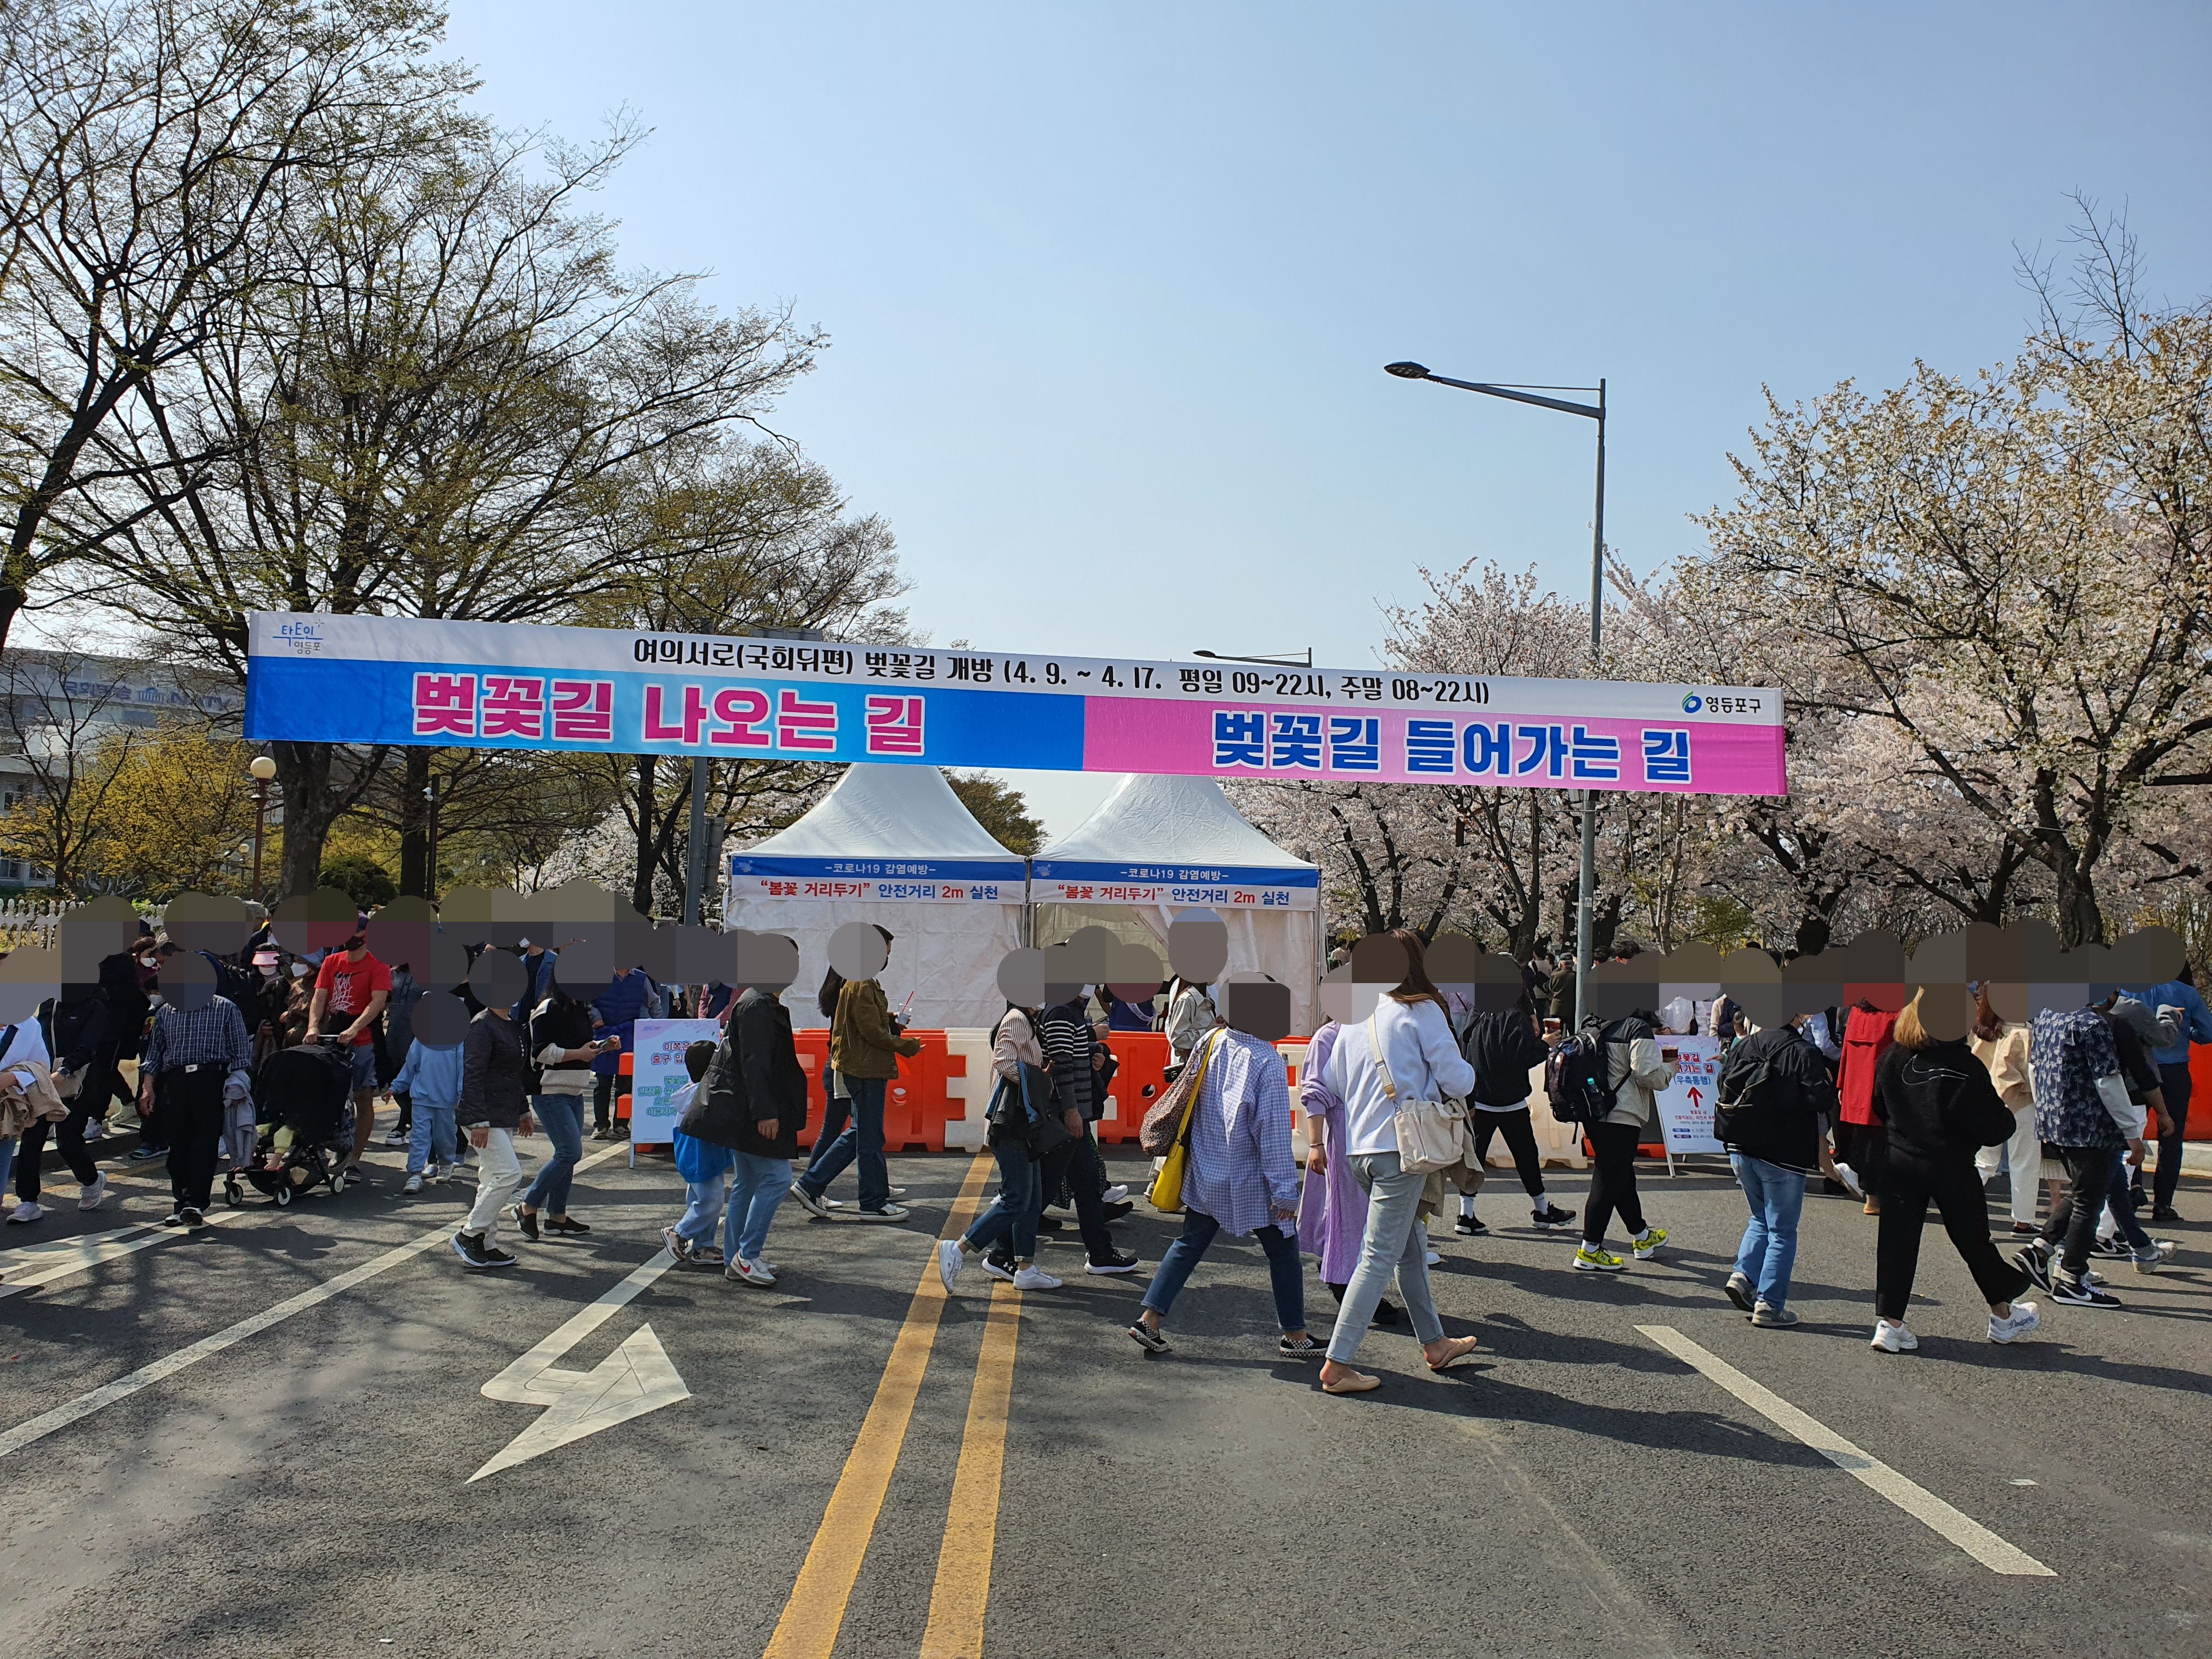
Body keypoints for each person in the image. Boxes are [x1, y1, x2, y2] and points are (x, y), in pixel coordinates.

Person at [1314, 931, 1483, 1395]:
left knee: (1408, 1247)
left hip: (1360, 1150)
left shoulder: (1354, 1016)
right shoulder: (1421, 1010)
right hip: (1403, 1150)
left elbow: (1333, 1080)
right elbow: (1458, 1078)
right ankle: (1337, 1363)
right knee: (1378, 1257)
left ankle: (1435, 1343)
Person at [1124, 1018, 1318, 1358]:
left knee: (1189, 1244)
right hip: (1251, 1178)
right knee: (1284, 1250)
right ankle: (1295, 1334)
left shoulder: (1212, 1040)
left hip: (1207, 1166)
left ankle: (1149, 1319)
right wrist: (1285, 1189)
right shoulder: (1267, 1059)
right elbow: (1271, 1133)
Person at [1867, 989, 2040, 1350]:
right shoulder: (1964, 1065)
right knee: (1974, 1241)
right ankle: (2003, 1316)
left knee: (1897, 1242)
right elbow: (1995, 1126)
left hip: (1900, 1159)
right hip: (1951, 1164)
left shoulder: (1895, 1056)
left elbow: (1879, 1105)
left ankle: (1890, 1323)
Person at [2013, 995, 2143, 1309]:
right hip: (2092, 1125)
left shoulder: (2046, 1016)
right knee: (2089, 1201)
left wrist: (2045, 1115)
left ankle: (2042, 1249)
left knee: (2086, 1190)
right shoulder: (2092, 1023)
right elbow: (2107, 1081)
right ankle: (2071, 1278)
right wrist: (2132, 1132)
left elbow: (2035, 1069)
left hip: (2057, 1121)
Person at [1712, 1011, 1838, 1327]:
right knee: (1782, 1231)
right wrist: (1828, 1082)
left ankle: (1742, 1275)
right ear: (1797, 1016)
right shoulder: (1803, 1051)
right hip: (1783, 1152)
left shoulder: (1746, 1045)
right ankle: (1769, 1305)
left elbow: (1722, 1082)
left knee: (1760, 1218)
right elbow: (1819, 1099)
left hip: (1740, 1145)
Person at [939, 1000, 1073, 1291]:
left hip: (1023, 1125)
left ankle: (1025, 1268)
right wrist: (1036, 1078)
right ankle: (957, 1248)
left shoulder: (1028, 1020)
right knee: (1016, 1199)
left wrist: (1040, 1076)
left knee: (1032, 1200)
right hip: (1011, 1124)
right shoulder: (1017, 1018)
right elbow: (1004, 1062)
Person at [789, 927, 918, 1223]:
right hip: (864, 1068)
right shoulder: (860, 982)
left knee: (862, 1134)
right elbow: (869, 1030)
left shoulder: (857, 981)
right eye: (884, 949)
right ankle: (866, 1200)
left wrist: (890, 1023)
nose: (886, 955)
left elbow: (865, 1022)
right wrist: (905, 1045)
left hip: (859, 1067)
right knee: (862, 1134)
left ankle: (821, 1186)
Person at [1296, 1020, 1401, 1326]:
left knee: (1355, 1211)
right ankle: (1345, 1283)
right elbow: (1314, 1091)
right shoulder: (1329, 1036)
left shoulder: (1370, 1028)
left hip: (1370, 1128)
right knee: (1351, 1211)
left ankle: (1343, 1275)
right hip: (1344, 1131)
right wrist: (1316, 1143)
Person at [704, 985, 806, 1285]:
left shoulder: (758, 1002)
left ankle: (735, 1257)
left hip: (748, 1110)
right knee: (777, 1179)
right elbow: (755, 1063)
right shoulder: (756, 1006)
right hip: (756, 1111)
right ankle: (746, 1257)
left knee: (747, 1182)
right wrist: (765, 1112)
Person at [1456, 988, 1574, 1235]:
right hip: (1510, 1100)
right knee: (1527, 1157)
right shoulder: (1513, 1017)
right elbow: (1523, 1057)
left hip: (1479, 1098)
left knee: (1474, 1158)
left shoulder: (1475, 1014)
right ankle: (1542, 1210)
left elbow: (1464, 1051)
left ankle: (1465, 1214)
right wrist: (1545, 1044)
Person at [1571, 1003, 1676, 1273]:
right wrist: (1670, 1069)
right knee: (1608, 1178)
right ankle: (1590, 1249)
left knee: (1620, 1175)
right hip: (1623, 1113)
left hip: (1594, 1110)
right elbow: (1647, 1073)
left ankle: (1641, 1236)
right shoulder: (1636, 1027)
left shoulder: (1591, 1022)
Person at [138, 983, 251, 1229]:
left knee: (204, 1141)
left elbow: (241, 1054)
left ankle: (196, 1203)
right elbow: (154, 1054)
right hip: (175, 1080)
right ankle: (181, 1202)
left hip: (211, 1079)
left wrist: (237, 1085)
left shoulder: (225, 1008)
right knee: (178, 1144)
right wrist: (148, 1088)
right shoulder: (167, 1011)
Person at [514, 981, 608, 1240]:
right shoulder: (548, 1009)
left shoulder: (580, 1008)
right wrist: (579, 1053)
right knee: (569, 1152)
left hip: (574, 1091)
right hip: (550, 1092)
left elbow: (578, 1048)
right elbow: (541, 1052)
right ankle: (527, 1204)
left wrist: (601, 1046)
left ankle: (557, 1217)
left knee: (567, 1155)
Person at [10, 982, 111, 1222]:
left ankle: (92, 1180)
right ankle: (28, 1201)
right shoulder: (49, 1005)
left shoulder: (95, 1006)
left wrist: (66, 1070)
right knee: (32, 1141)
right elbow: (37, 1039)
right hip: (43, 1082)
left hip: (77, 1083)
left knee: (68, 1142)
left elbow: (89, 1044)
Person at [453, 1000, 535, 1269]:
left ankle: (486, 1244)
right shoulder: (481, 1025)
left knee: (490, 1177)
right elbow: (472, 1075)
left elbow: (514, 1074)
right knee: (510, 1174)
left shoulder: (512, 1025)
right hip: (481, 1115)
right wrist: (478, 1120)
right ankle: (469, 1234)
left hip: (503, 1113)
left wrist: (523, 1111)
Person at [2123, 964, 2209, 1221]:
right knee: (2171, 1137)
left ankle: (2132, 1187)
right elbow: (2208, 1032)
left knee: (2129, 1131)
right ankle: (2163, 1204)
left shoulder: (2125, 991)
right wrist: (2185, 1030)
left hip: (2134, 1070)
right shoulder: (2186, 993)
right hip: (2173, 1071)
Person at [304, 926, 392, 1178]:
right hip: (334, 1033)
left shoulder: (378, 964)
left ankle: (355, 1158)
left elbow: (378, 1001)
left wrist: (355, 1029)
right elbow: (319, 996)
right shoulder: (332, 961)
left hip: (364, 1037)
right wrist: (312, 1025)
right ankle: (326, 1148)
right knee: (328, 1094)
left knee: (362, 1096)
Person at [1970, 983, 2042, 1235]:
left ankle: (1960, 1207)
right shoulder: (2024, 1032)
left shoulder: (1982, 1030)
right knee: (2024, 1162)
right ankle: (2023, 1221)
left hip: (1986, 1101)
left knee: (1984, 1161)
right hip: (2022, 1103)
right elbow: (2033, 1075)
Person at [668, 1040, 733, 1268]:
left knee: (698, 1198)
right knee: (711, 1201)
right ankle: (678, 1232)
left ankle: (703, 1246)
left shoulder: (689, 1092)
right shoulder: (708, 1094)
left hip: (692, 1156)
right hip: (703, 1156)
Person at [392, 1031, 462, 1194]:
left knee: (445, 1135)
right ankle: (415, 1174)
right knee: (419, 1135)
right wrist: (396, 1086)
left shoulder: (459, 1041)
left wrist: (461, 1095)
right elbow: (410, 1065)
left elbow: (462, 1069)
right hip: (421, 1097)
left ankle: (446, 1164)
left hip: (446, 1099)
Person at [588, 963, 650, 1139]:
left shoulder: (641, 978)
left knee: (625, 1083)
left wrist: (656, 1030)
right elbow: (587, 1001)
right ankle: (601, 1125)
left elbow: (652, 1003)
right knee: (602, 1084)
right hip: (603, 1034)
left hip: (629, 1035)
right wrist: (596, 1017)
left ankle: (622, 1125)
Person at [380, 960, 426, 1146]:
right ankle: (410, 1119)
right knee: (394, 1077)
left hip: (419, 1033)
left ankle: (405, 1124)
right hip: (395, 1033)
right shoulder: (393, 973)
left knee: (416, 1079)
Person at [1161, 974, 1218, 1068]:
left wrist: (1215, 1024)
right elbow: (1177, 1039)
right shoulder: (1186, 1000)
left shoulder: (1205, 996)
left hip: (1201, 1065)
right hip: (1189, 1067)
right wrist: (1206, 1031)